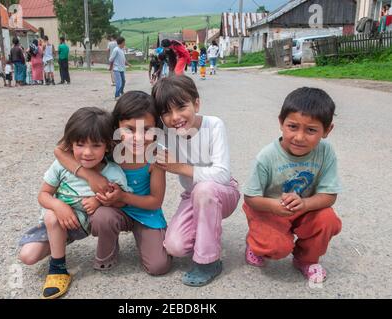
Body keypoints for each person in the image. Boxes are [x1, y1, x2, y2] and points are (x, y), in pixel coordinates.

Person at [18, 107, 133, 299]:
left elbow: (121, 202)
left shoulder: (113, 173)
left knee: (52, 216)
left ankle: (58, 269)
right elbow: (43, 195)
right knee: (27, 256)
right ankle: (59, 245)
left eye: (96, 145)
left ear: (107, 146)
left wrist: (99, 200)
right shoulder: (61, 166)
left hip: (81, 224)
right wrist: (58, 205)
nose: (87, 153)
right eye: (80, 145)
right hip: (56, 223)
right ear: (70, 144)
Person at [54, 91, 172, 277]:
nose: (138, 137)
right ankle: (109, 249)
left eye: (147, 129)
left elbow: (155, 201)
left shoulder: (156, 155)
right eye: (130, 129)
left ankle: (147, 236)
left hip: (145, 214)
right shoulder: (109, 145)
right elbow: (60, 150)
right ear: (116, 125)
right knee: (102, 218)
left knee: (159, 267)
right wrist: (90, 177)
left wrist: (123, 196)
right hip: (114, 210)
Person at [242, 87, 342, 283]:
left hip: (304, 209)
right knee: (276, 248)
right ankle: (255, 242)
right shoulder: (267, 156)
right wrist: (274, 206)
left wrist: (304, 204)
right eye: (293, 127)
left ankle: (306, 259)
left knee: (327, 219)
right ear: (281, 123)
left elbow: (330, 195)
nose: (299, 137)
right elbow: (250, 198)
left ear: (327, 130)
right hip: (268, 209)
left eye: (311, 130)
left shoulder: (326, 152)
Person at [152, 76, 241, 287]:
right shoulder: (165, 134)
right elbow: (144, 150)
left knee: (204, 190)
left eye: (182, 107)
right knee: (175, 247)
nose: (175, 117)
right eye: (166, 112)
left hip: (223, 192)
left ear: (197, 103)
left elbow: (222, 174)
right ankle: (207, 232)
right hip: (192, 195)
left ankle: (209, 262)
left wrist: (179, 167)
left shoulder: (214, 125)